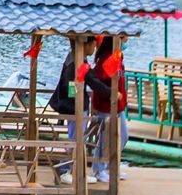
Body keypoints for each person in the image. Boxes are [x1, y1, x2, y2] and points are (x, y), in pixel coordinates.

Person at [48, 35, 126, 182]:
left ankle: (71, 171)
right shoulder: (76, 61)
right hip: (74, 108)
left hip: (76, 107)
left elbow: (90, 80)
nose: (94, 46)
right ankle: (65, 171)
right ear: (86, 44)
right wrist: (111, 93)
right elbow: (89, 82)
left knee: (77, 139)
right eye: (93, 43)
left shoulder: (77, 58)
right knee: (75, 140)